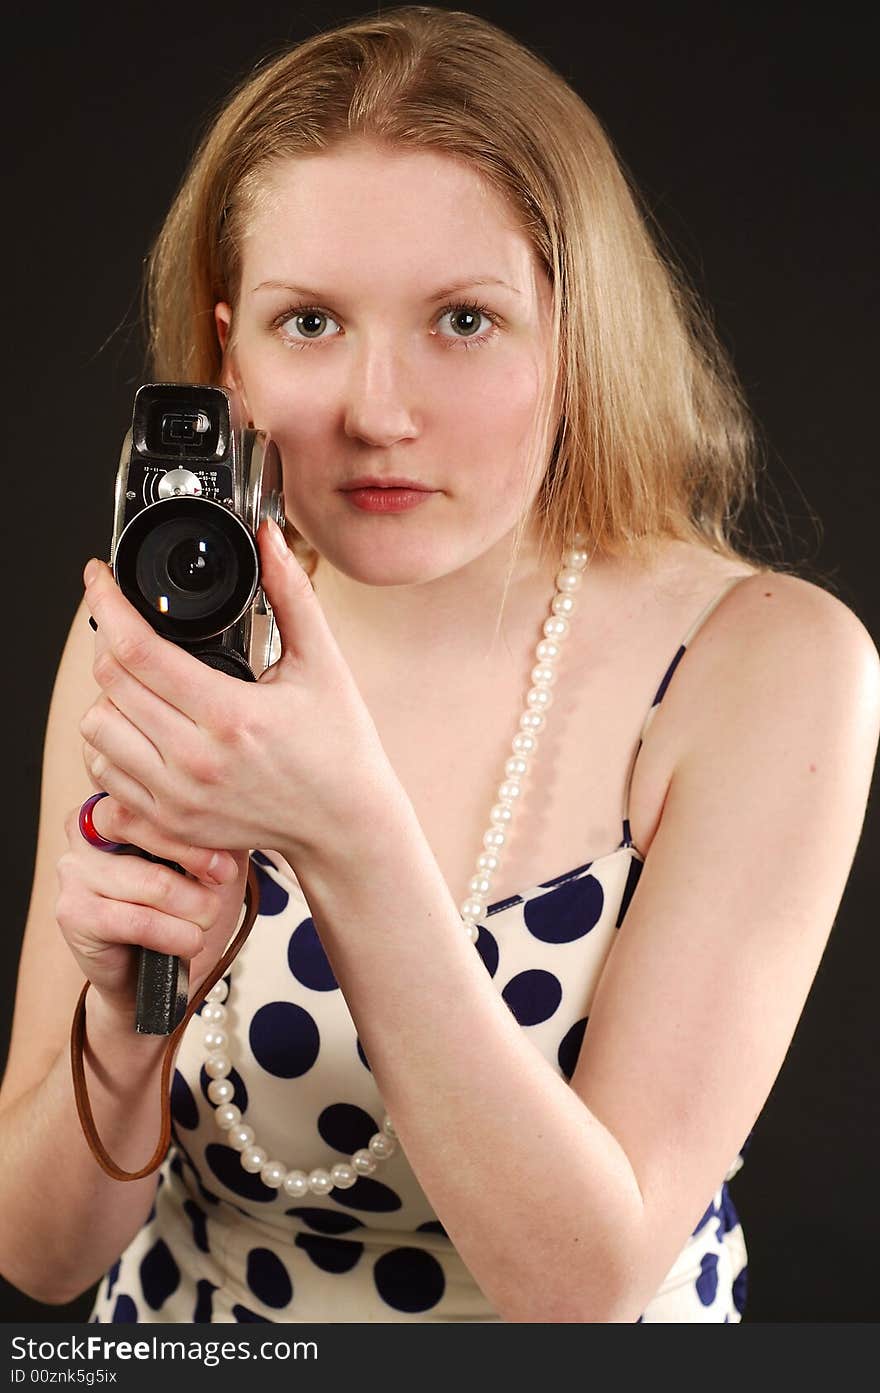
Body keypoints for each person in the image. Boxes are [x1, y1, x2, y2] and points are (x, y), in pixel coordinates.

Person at [1, 5, 877, 1325]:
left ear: (577, 339)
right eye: (309, 324)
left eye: (463, 320)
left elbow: (583, 1286)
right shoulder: (158, 638)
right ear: (226, 344)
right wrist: (128, 1026)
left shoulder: (765, 665)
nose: (379, 410)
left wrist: (347, 832)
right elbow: (37, 1250)